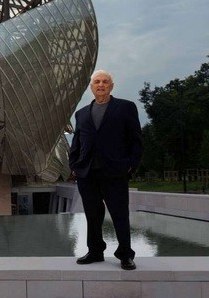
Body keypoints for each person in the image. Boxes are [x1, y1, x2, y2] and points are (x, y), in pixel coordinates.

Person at [68, 69, 143, 270]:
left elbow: (136, 140)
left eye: (105, 81)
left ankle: (125, 255)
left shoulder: (125, 108)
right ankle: (95, 251)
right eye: (97, 82)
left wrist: (130, 164)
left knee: (119, 214)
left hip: (115, 171)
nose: (100, 85)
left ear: (111, 86)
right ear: (91, 87)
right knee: (92, 215)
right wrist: (74, 165)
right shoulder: (81, 113)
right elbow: (77, 142)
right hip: (87, 173)